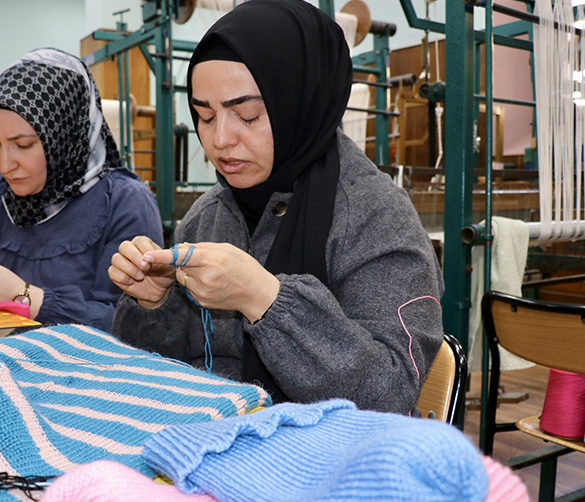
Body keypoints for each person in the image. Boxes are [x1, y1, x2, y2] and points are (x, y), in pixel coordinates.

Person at [109, 0, 443, 414]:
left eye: (246, 115)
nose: (220, 140)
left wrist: (264, 298)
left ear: (300, 105)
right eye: (204, 116)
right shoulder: (207, 216)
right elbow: (157, 379)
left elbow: (389, 395)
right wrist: (154, 305)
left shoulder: (377, 220)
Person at [0, 48, 162, 333]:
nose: (3, 164)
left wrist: (27, 297)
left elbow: (137, 327)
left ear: (65, 136)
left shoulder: (126, 202)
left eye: (23, 145)